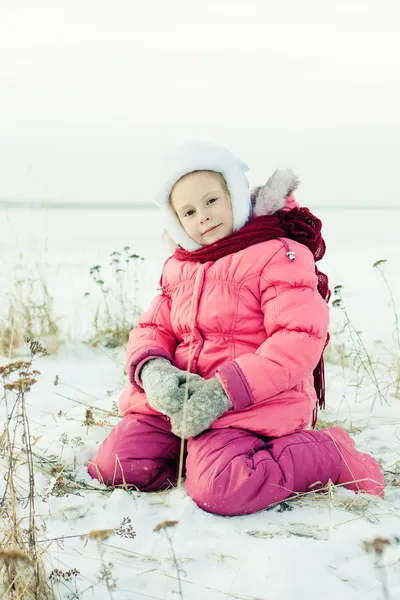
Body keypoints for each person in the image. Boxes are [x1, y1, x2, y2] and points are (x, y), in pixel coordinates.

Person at [88, 143, 384, 516]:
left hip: (247, 403)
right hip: (180, 402)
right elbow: (152, 327)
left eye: (212, 200)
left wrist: (222, 393)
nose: (203, 217)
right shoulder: (181, 266)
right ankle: (195, 452)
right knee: (117, 466)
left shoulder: (279, 252)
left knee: (223, 490)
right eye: (189, 211)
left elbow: (298, 340)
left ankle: (328, 453)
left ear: (235, 195)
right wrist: (155, 373)